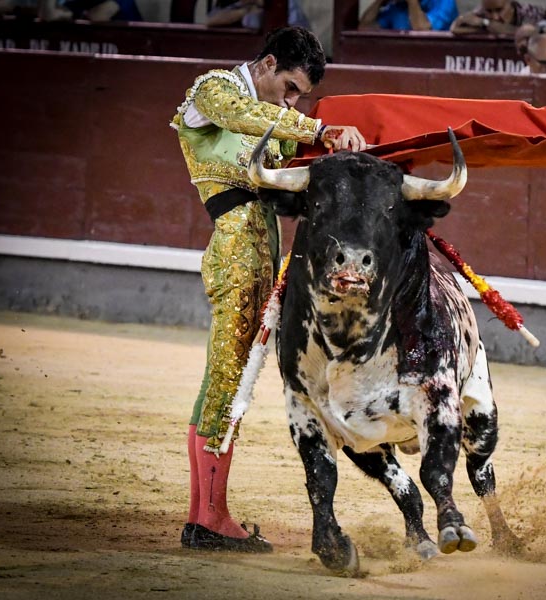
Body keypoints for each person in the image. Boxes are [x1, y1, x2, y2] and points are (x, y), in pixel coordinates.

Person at [171, 25, 365, 552]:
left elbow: (294, 171)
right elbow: (244, 115)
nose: (293, 99)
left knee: (229, 378)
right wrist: (317, 127)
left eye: (300, 95)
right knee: (229, 378)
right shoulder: (212, 90)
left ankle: (203, 513)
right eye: (290, 85)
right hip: (237, 250)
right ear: (267, 63)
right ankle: (208, 517)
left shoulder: (282, 125)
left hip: (266, 254)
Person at [450, 0, 544, 36]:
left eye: (499, 10)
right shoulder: (483, 11)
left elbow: (524, 34)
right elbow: (455, 28)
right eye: (489, 12)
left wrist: (485, 24)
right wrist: (487, 28)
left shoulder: (530, 13)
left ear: (510, 3)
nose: (494, 17)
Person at [359, 0, 458, 31]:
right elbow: (364, 27)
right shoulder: (396, 7)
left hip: (436, 62)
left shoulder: (444, 3)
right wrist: (380, 1)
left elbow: (422, 29)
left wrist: (412, 2)